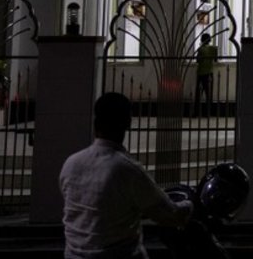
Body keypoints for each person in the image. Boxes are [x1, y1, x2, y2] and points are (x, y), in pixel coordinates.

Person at [60, 92, 192, 258]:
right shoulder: (126, 170)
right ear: (128, 122)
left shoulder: (71, 163)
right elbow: (168, 213)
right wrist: (189, 205)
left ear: (96, 123)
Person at [194, 33, 218, 115]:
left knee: (198, 94)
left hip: (201, 73)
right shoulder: (213, 48)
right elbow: (215, 60)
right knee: (209, 95)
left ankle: (196, 113)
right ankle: (208, 113)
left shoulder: (200, 49)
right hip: (209, 73)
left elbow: (198, 60)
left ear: (202, 40)